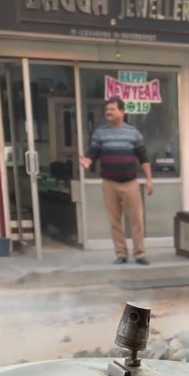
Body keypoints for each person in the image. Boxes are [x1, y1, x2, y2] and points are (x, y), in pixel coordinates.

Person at [79, 97, 154, 265]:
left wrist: (149, 180)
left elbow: (144, 158)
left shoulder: (133, 132)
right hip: (109, 183)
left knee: (136, 220)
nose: (108, 112)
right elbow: (93, 153)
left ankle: (139, 253)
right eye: (107, 110)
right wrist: (87, 162)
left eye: (112, 109)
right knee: (115, 221)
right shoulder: (100, 132)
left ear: (122, 111)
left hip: (130, 183)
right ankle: (121, 253)